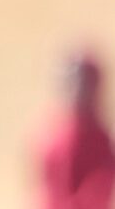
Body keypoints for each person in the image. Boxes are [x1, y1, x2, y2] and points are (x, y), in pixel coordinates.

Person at [34, 48, 115, 209]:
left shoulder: (101, 142)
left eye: (83, 84)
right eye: (69, 83)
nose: (75, 91)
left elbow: (97, 195)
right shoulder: (52, 133)